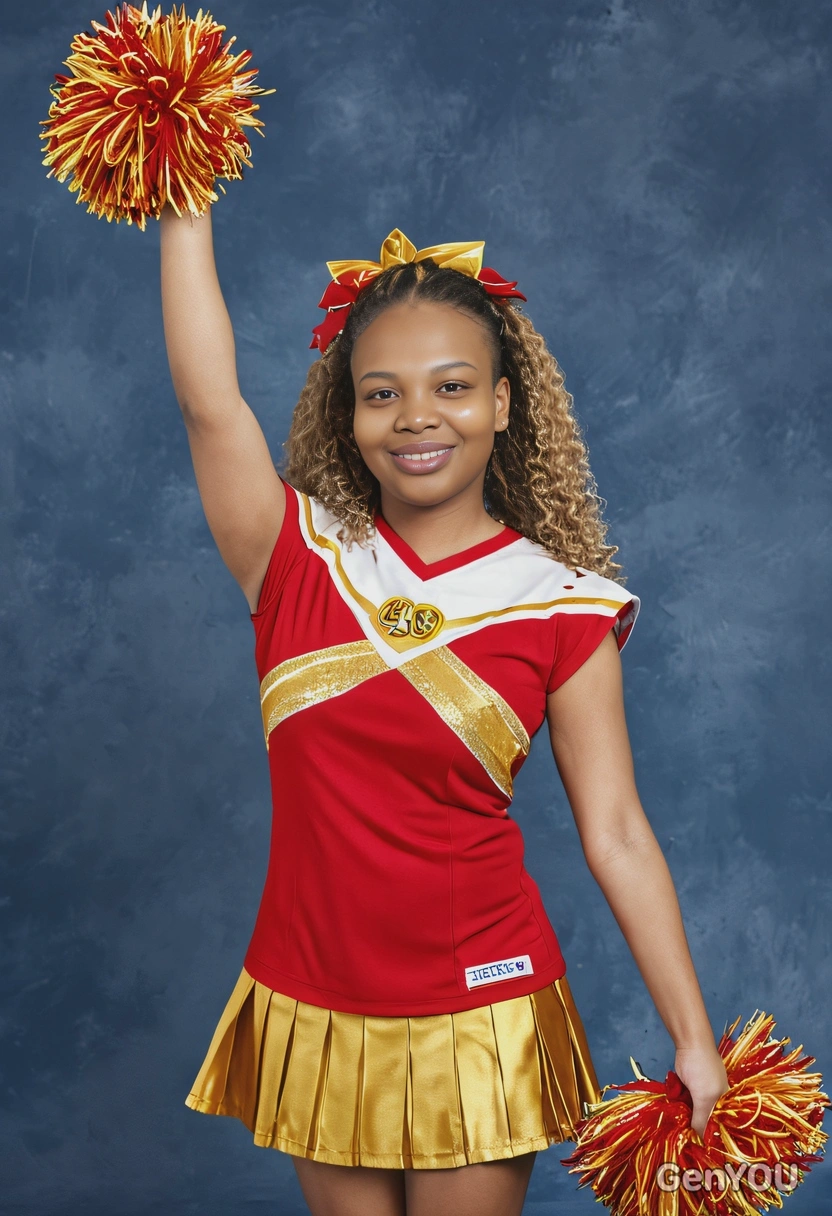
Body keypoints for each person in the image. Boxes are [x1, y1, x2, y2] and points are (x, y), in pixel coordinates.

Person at [159, 209, 730, 1216]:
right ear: (350, 416)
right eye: (382, 394)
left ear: (504, 403)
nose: (417, 416)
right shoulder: (293, 556)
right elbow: (211, 408)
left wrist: (691, 1034)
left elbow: (618, 833)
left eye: (452, 388)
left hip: (483, 998)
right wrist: (184, 210)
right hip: (313, 998)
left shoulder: (563, 604)